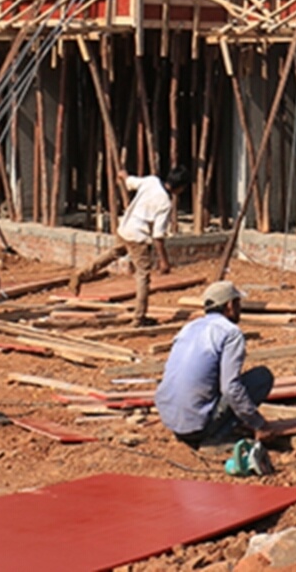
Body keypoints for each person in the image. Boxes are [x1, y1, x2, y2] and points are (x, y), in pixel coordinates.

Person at [154, 280, 274, 445]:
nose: (240, 309)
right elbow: (230, 388)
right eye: (238, 303)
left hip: (172, 421)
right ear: (230, 305)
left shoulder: (189, 327)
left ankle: (204, 428)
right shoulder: (230, 333)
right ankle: (216, 438)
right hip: (197, 427)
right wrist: (259, 424)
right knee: (261, 377)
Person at [70, 166, 187, 325]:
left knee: (112, 254)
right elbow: (158, 236)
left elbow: (130, 182)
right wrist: (164, 261)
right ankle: (139, 317)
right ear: (180, 188)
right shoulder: (165, 203)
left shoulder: (151, 182)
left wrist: (123, 175)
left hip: (125, 229)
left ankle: (81, 274)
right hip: (138, 238)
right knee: (142, 276)